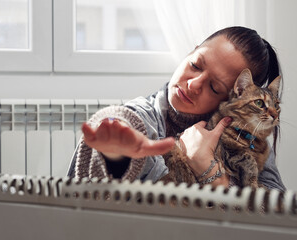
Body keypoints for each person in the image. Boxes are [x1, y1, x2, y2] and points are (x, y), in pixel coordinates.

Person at [67, 26, 286, 192]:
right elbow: (122, 120)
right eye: (195, 65)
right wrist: (116, 155)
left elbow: (276, 220)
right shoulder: (142, 120)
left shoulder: (249, 140)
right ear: (192, 51)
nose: (193, 84)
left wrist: (210, 172)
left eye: (213, 87)